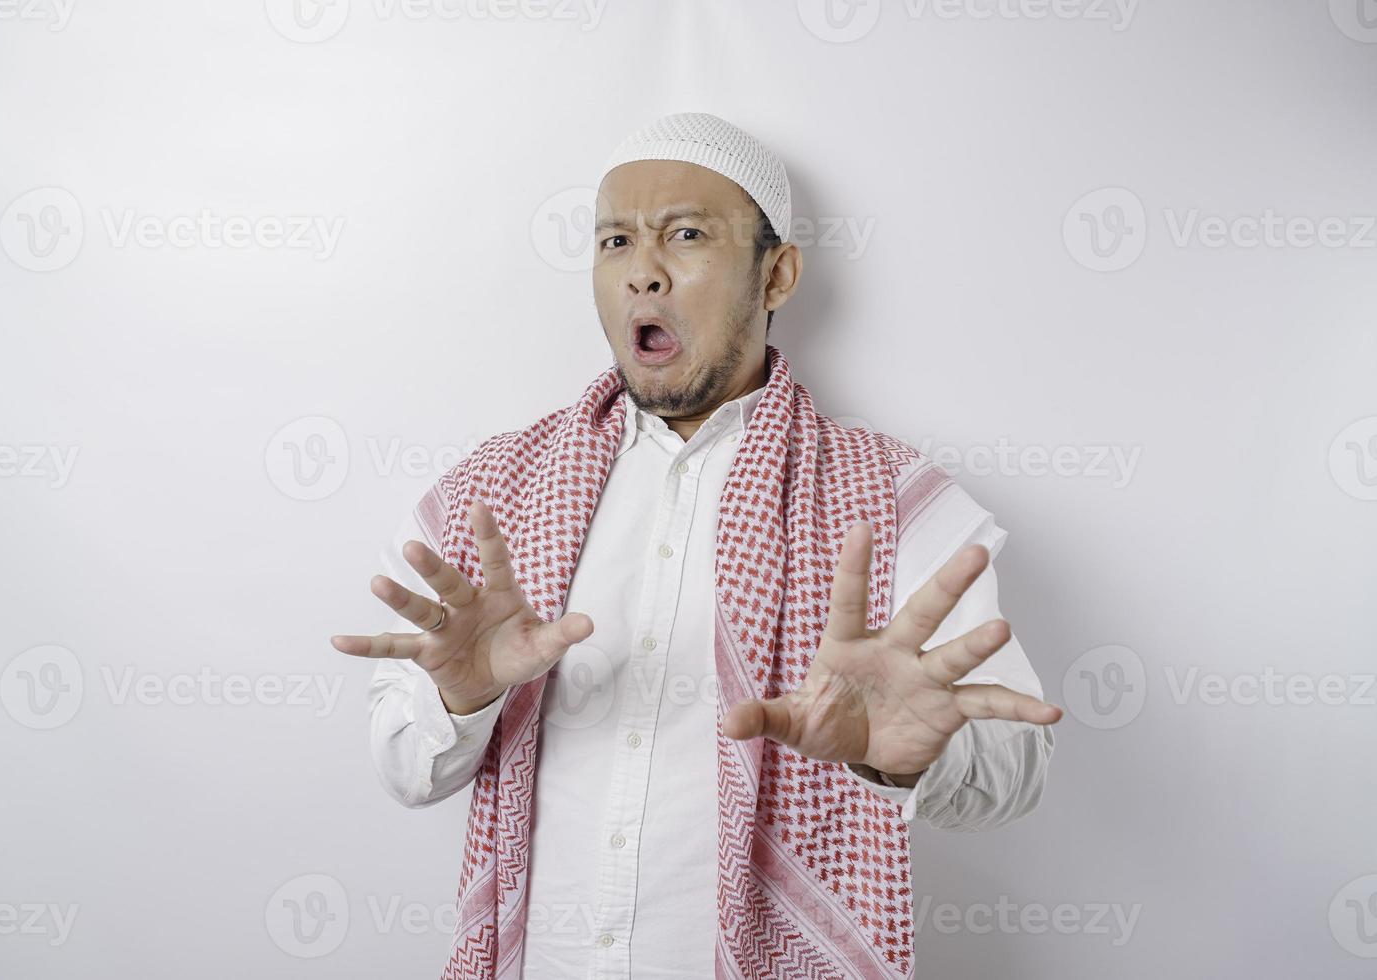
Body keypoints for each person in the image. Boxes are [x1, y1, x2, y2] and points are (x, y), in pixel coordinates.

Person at [333, 111, 1062, 980]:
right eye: (614, 241)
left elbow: (1017, 770)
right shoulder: (489, 499)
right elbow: (407, 770)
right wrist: (461, 699)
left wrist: (909, 751)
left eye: (685, 235)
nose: (643, 271)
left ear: (778, 273)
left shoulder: (897, 507)